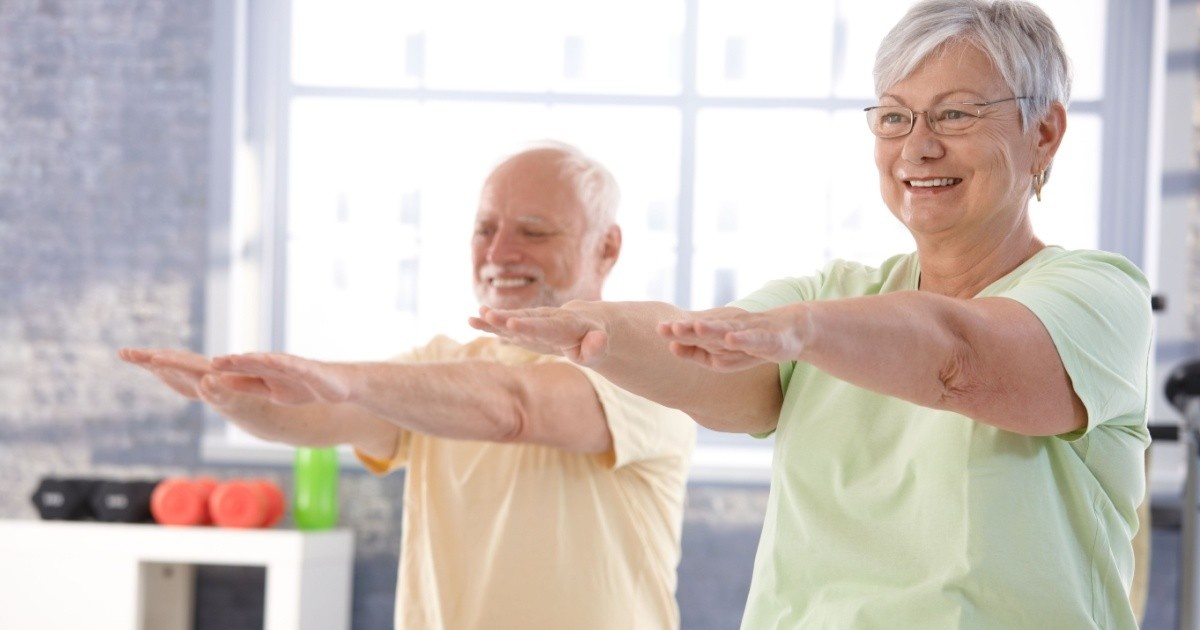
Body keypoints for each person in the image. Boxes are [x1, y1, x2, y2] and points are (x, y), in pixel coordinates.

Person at [471, 2, 1152, 628]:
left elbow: (960, 359)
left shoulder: (1096, 295)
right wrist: (601, 333)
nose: (917, 146)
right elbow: (707, 358)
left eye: (955, 115)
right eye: (895, 117)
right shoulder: (834, 292)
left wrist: (808, 330)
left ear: (1045, 132)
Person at [119, 142, 697, 630]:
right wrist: (227, 394)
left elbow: (514, 406)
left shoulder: (645, 365)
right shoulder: (438, 368)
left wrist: (347, 380)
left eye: (533, 231)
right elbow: (320, 417)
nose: (499, 252)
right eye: (485, 229)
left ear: (607, 247)